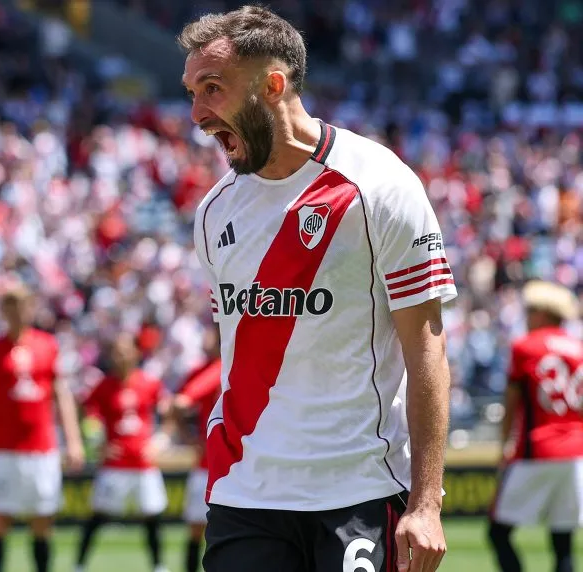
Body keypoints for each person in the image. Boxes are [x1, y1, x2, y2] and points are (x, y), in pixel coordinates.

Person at [180, 6, 454, 572]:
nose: (197, 114)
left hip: (358, 490)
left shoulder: (379, 186)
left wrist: (427, 503)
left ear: (272, 86)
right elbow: (236, 354)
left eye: (212, 88)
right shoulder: (214, 212)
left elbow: (426, 348)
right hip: (245, 494)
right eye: (192, 93)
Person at [0, 284, 85, 572]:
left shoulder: (47, 345)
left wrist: (73, 441)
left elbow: (61, 395)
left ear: (31, 308)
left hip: (42, 448)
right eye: (10, 305)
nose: (17, 311)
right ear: (3, 310)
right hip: (6, 448)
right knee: (0, 519)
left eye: (22, 305)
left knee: (42, 521)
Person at [489, 281, 583, 572]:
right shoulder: (578, 347)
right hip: (576, 453)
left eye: (530, 311)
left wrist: (504, 444)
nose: (526, 317)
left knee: (497, 532)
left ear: (543, 313)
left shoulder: (525, 346)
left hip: (537, 450)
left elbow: (512, 402)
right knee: (563, 541)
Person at [75, 333, 171, 572]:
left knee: (152, 516)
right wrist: (98, 444)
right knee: (98, 516)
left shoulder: (149, 383)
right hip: (114, 465)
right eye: (117, 351)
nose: (121, 356)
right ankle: (79, 565)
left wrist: (160, 442)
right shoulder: (104, 386)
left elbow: (169, 413)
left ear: (136, 353)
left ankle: (158, 566)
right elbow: (87, 414)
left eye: (125, 350)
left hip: (143, 464)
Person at [161, 327, 221, 572]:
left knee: (201, 529)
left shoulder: (218, 368)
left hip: (216, 466)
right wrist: (189, 437)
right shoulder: (207, 370)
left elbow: (178, 403)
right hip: (212, 465)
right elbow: (177, 404)